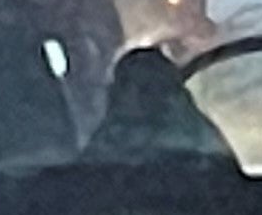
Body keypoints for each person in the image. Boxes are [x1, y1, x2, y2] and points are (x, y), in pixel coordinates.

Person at [79, 44, 234, 162]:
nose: (137, 94)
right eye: (127, 84)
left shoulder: (107, 141)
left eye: (150, 86)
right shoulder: (199, 136)